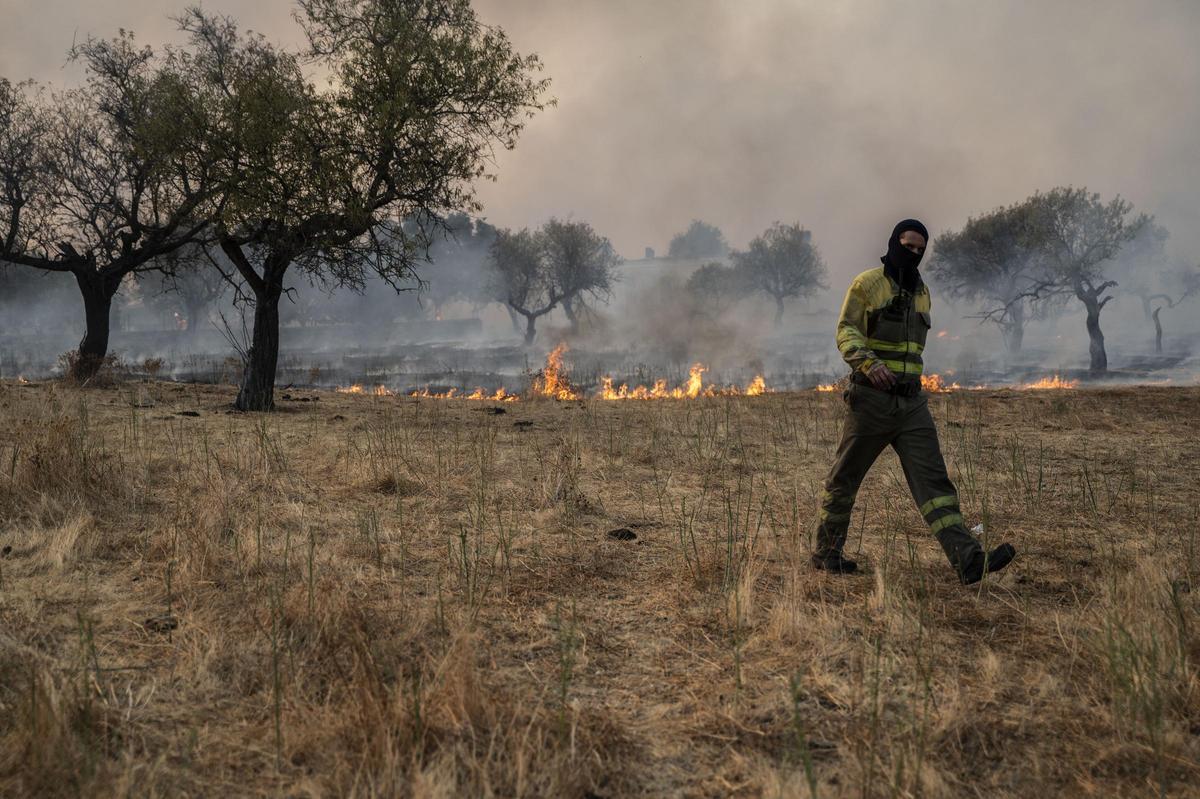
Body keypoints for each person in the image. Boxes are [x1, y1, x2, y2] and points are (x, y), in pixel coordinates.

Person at [813, 219, 1016, 584]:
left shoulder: (922, 291)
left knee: (935, 484)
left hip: (911, 406)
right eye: (908, 247)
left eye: (921, 250)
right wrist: (868, 363)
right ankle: (827, 553)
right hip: (871, 402)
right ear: (893, 243)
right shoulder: (867, 284)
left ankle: (968, 560)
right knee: (844, 479)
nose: (914, 254)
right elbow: (846, 330)